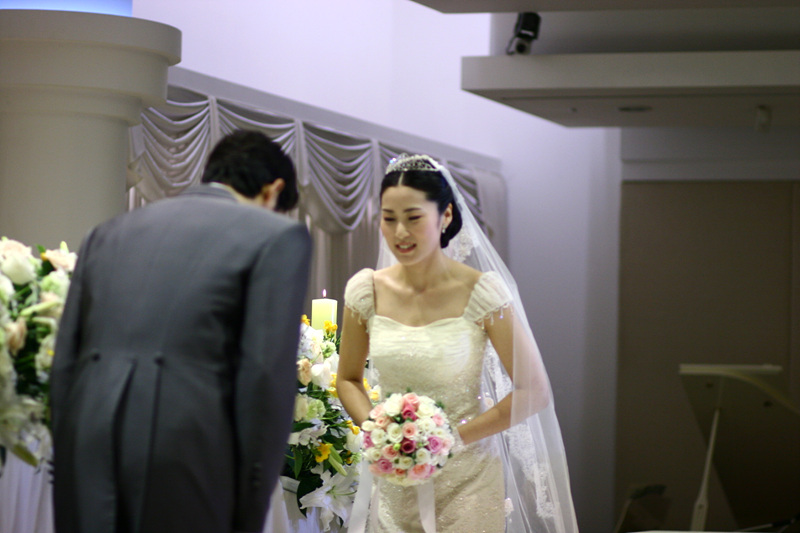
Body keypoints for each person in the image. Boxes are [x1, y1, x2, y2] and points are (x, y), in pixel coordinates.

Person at [50, 130, 312, 533]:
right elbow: (265, 379)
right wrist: (250, 506)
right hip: (189, 449)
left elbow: (65, 362)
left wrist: (70, 451)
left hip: (87, 444)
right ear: (272, 191)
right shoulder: (276, 236)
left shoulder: (108, 231)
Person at [337, 154, 579, 532]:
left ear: (445, 215)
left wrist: (449, 439)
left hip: (469, 481)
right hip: (396, 476)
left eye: (413, 218)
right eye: (389, 218)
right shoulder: (365, 291)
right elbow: (348, 378)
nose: (400, 232)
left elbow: (533, 391)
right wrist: (380, 431)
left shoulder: (482, 292)